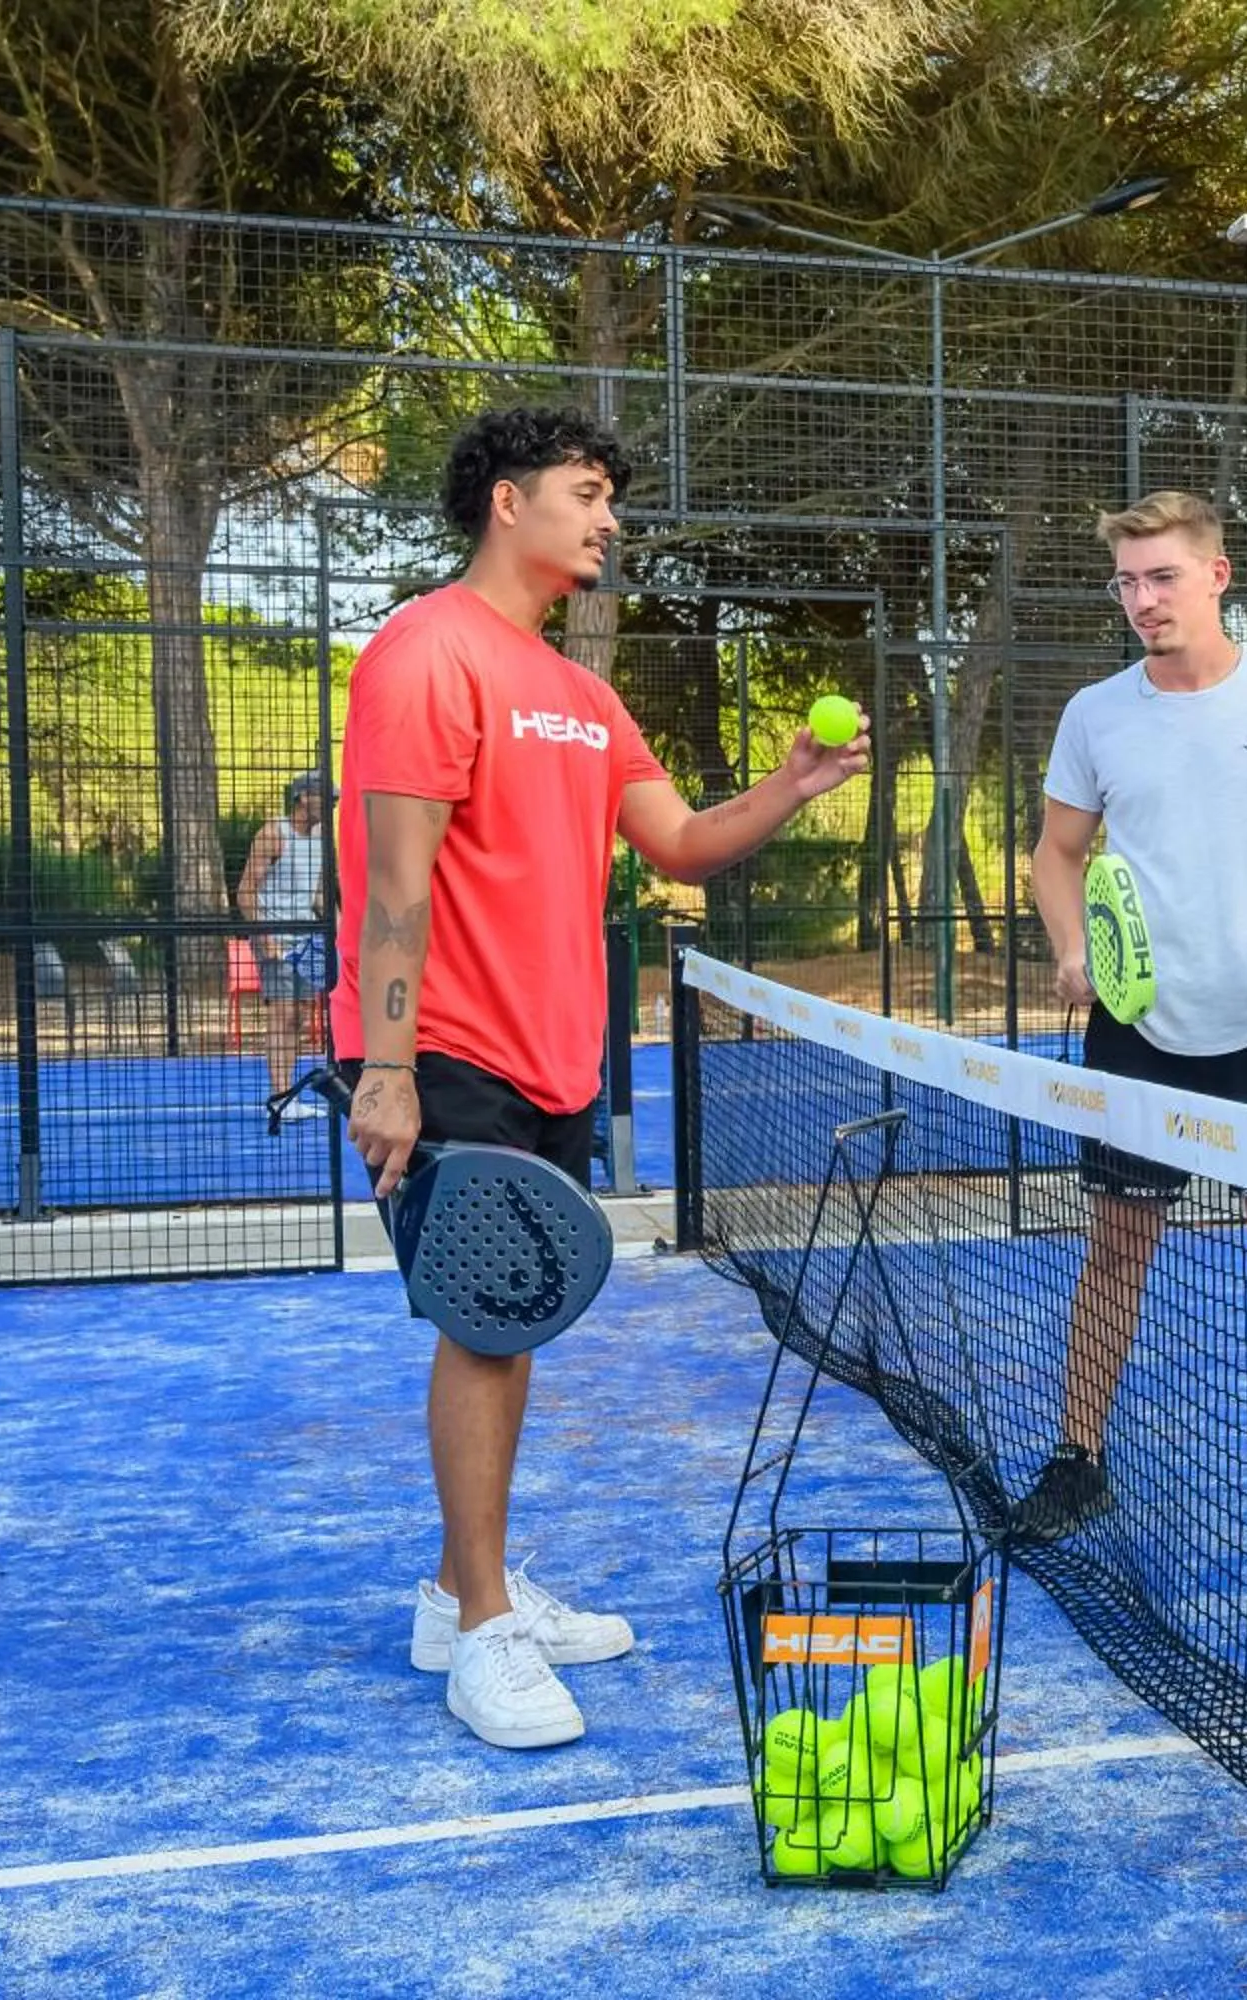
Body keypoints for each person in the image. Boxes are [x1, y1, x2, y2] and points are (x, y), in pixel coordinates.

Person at [335, 406, 869, 1749]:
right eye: (585, 491)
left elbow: (678, 840)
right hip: (445, 1043)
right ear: (508, 501)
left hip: (556, 1050)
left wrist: (793, 786)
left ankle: (459, 1591)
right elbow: (394, 882)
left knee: (510, 1318)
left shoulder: (580, 692)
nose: (609, 516)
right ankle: (483, 1629)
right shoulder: (425, 651)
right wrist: (387, 1068)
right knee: (485, 1320)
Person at [1008, 490, 1247, 1545]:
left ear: (1217, 576)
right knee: (1117, 1247)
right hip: (1139, 1028)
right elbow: (1057, 852)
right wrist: (1072, 946)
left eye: (1163, 576)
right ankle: (1077, 1460)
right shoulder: (1096, 713)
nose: (1143, 599)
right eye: (1127, 582)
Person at [239, 770, 333, 1115]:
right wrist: (265, 938)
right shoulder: (273, 834)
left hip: (307, 937)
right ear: (303, 797)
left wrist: (341, 928)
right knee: (282, 1014)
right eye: (325, 797)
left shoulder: (323, 838)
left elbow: (319, 894)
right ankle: (280, 1099)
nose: (331, 804)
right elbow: (246, 892)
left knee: (301, 1017)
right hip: (275, 935)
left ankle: (289, 1095)